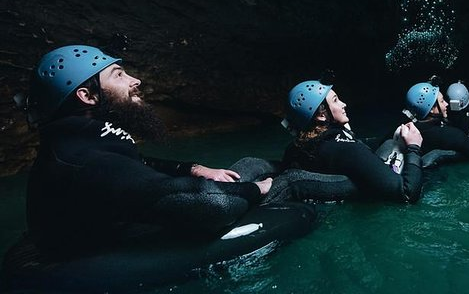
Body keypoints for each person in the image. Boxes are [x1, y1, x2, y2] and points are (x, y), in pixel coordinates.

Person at [25, 45, 272, 257]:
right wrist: (257, 189)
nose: (136, 81)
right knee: (263, 176)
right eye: (119, 75)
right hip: (90, 258)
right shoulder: (85, 159)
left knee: (252, 163)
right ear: (87, 96)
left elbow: (137, 164)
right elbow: (212, 204)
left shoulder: (81, 139)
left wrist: (193, 169)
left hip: (116, 221)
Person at [281, 79, 424, 203]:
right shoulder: (345, 150)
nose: (344, 104)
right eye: (336, 100)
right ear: (321, 115)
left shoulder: (295, 148)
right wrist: (413, 147)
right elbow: (407, 193)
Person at [403, 80, 469, 164]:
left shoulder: (406, 129)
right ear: (431, 109)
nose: (446, 104)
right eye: (442, 101)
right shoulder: (450, 135)